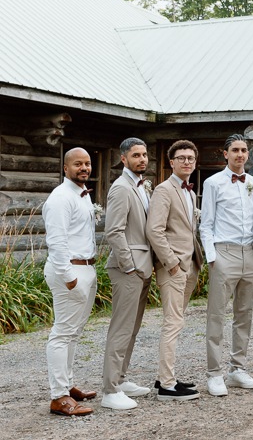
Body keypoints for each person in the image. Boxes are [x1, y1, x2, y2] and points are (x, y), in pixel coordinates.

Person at [200, 135, 253, 397]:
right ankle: (214, 374)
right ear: (225, 154)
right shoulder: (213, 183)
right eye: (235, 150)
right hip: (224, 252)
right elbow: (206, 224)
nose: (240, 154)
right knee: (217, 315)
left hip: (251, 253)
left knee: (244, 314)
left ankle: (237, 368)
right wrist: (212, 257)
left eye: (244, 150)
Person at [146, 140, 204, 401]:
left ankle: (165, 376)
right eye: (181, 158)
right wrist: (172, 264)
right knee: (172, 323)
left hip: (190, 265)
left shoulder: (190, 192)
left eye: (190, 158)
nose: (186, 161)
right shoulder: (163, 190)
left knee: (177, 321)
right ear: (171, 162)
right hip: (173, 268)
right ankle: (167, 386)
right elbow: (154, 230)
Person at [43, 147, 98, 416]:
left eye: (87, 163)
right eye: (78, 164)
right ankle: (58, 397)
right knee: (62, 333)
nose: (84, 168)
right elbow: (56, 241)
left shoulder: (83, 195)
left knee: (74, 333)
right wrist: (69, 278)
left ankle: (67, 384)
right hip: (70, 273)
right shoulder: (60, 198)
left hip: (86, 269)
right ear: (65, 168)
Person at [101, 138, 153, 410]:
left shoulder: (142, 187)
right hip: (128, 269)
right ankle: (110, 391)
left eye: (144, 155)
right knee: (121, 329)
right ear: (124, 159)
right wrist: (129, 264)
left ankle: (120, 379)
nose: (142, 159)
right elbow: (114, 231)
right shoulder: (121, 188)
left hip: (143, 267)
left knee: (132, 329)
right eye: (136, 155)